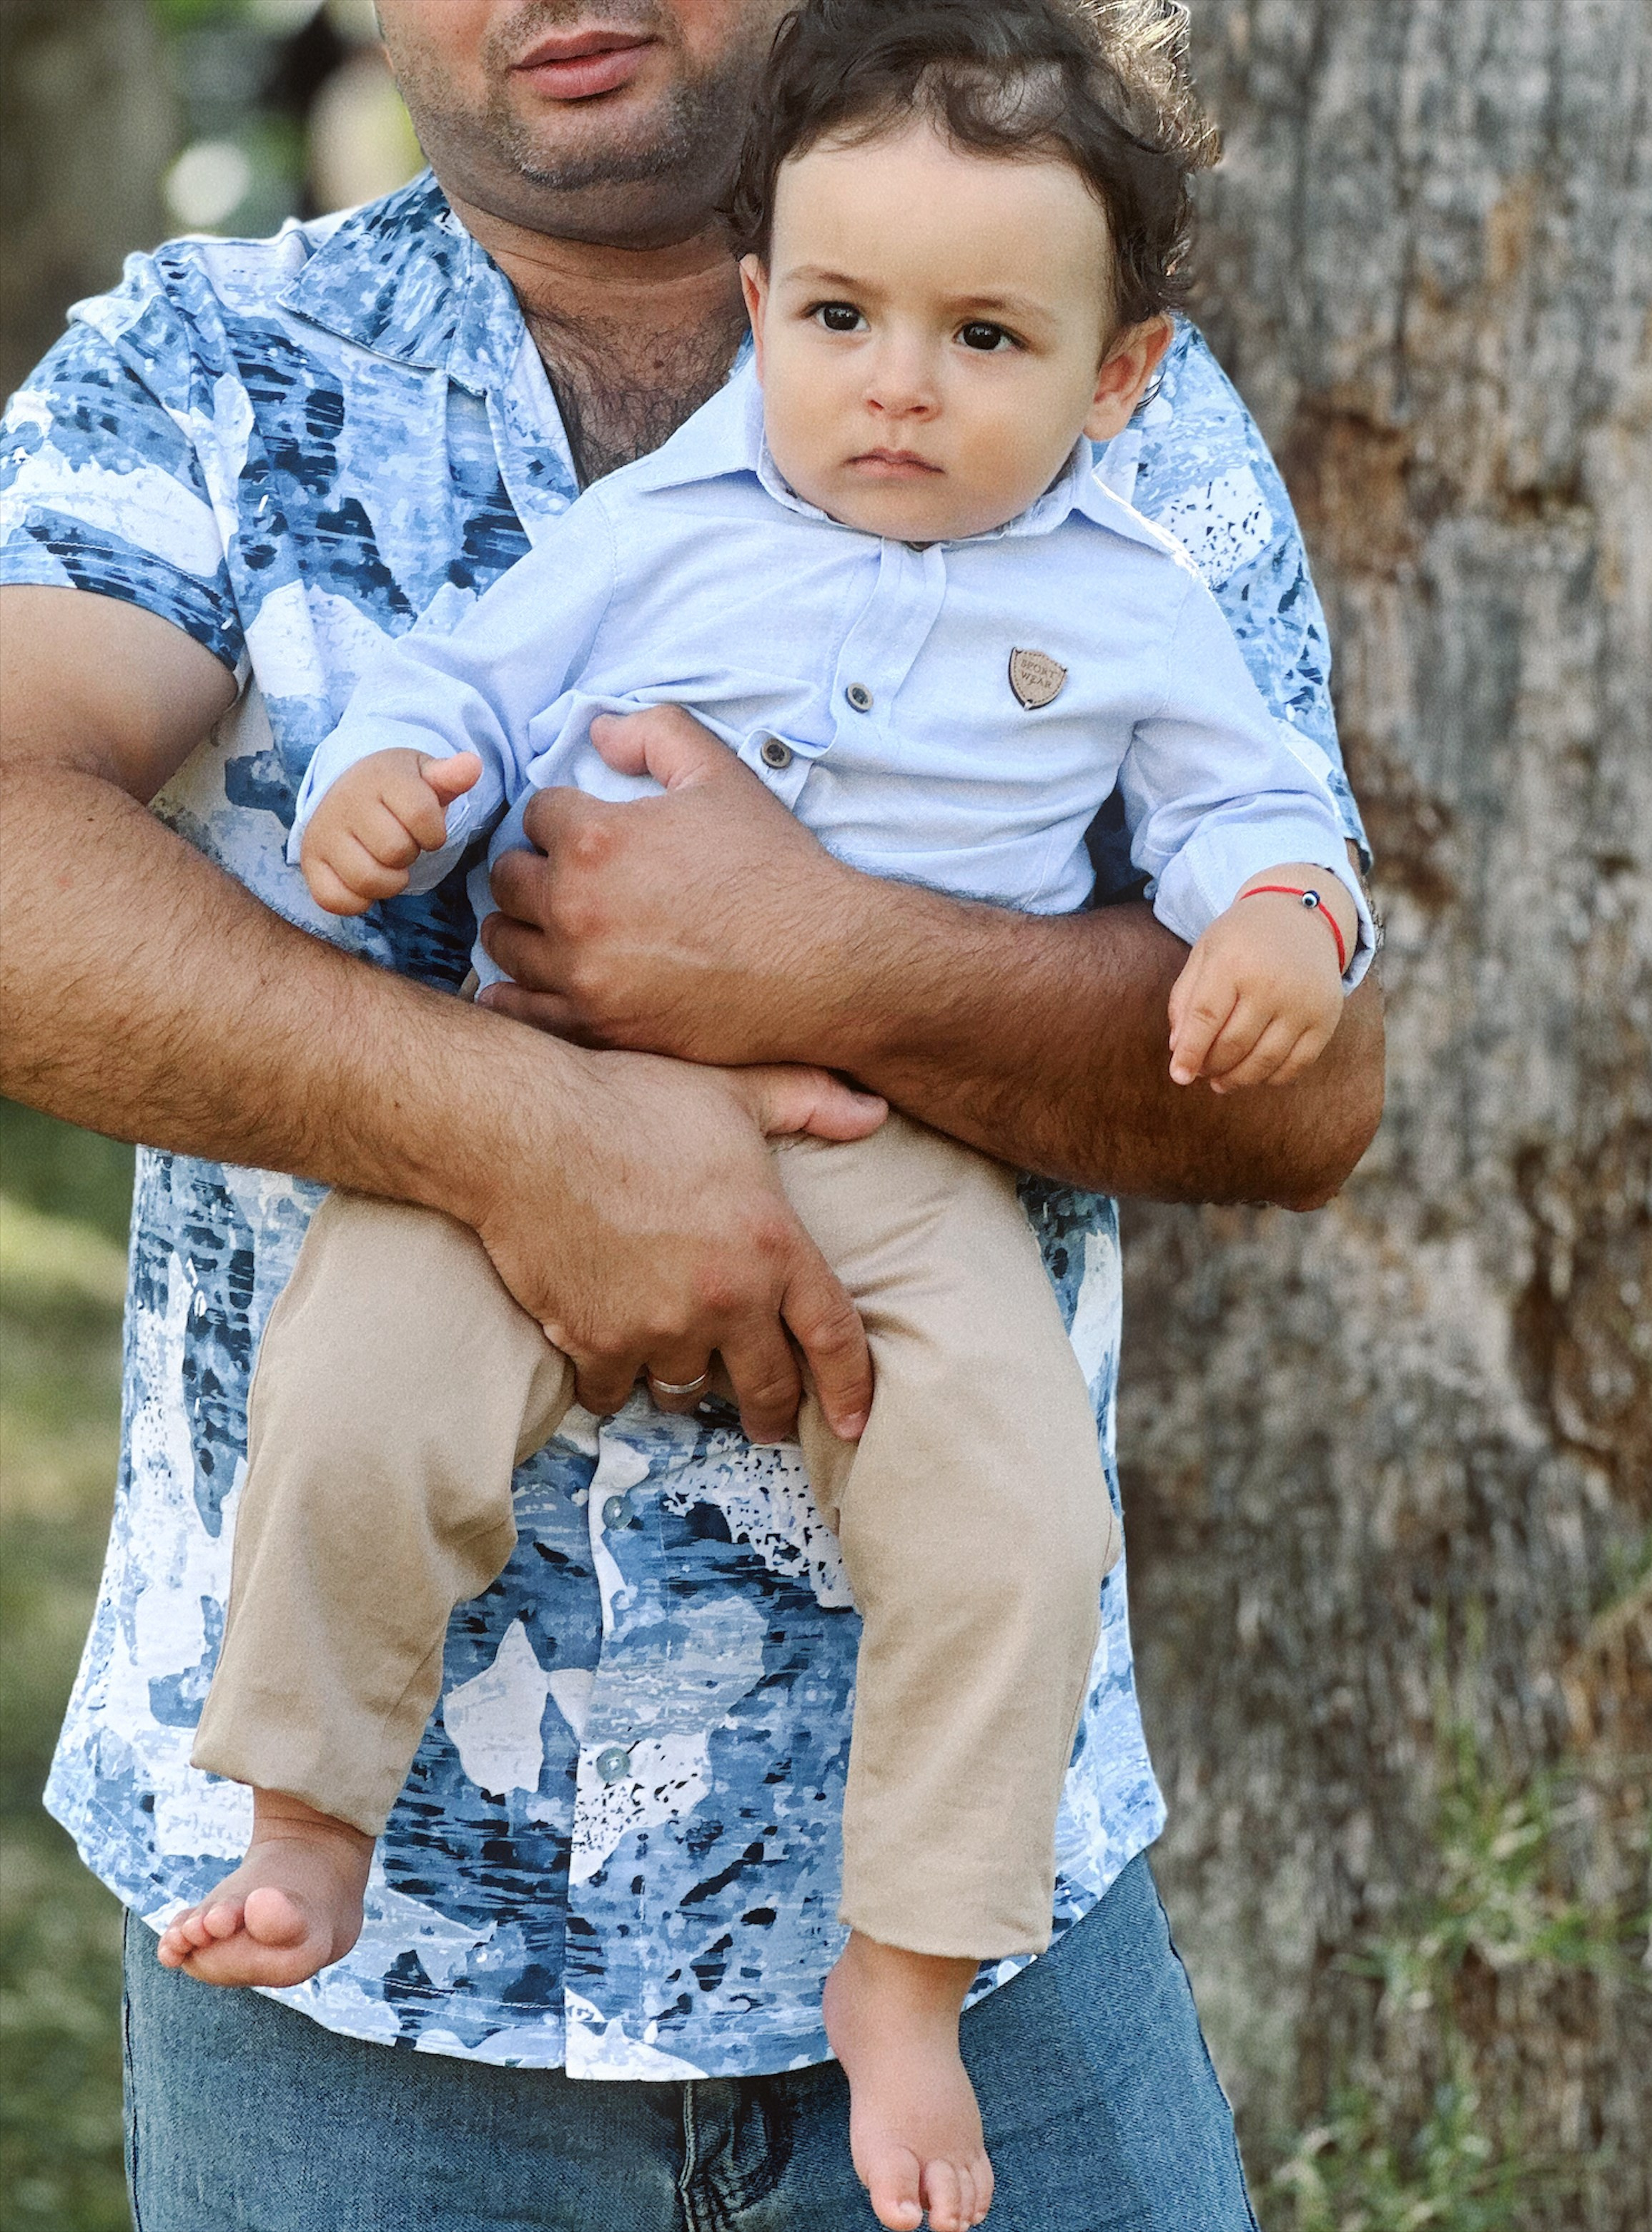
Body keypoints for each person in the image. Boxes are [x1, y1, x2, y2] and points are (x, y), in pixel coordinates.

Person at [0, 0, 1383, 2224]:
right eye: (839, 316)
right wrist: (519, 1130)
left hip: (997, 1964)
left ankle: (898, 1970)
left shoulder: (1117, 427)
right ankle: (302, 1809)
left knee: (1003, 1513)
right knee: (368, 1386)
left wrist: (820, 955)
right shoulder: (212, 362)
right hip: (369, 2036)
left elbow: (1313, 1068)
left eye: (974, 337)